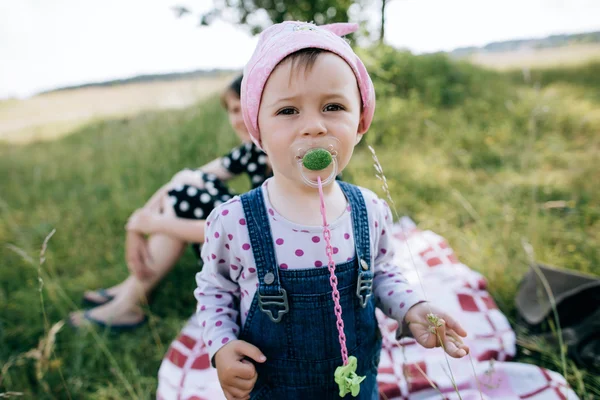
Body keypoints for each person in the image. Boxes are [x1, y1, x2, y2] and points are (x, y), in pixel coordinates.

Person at [192, 21, 469, 399]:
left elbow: (383, 272)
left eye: (333, 107)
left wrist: (412, 309)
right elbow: (215, 291)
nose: (314, 126)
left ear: (360, 123)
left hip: (358, 386)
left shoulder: (368, 209)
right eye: (288, 111)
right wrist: (222, 347)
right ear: (258, 128)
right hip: (274, 389)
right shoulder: (235, 220)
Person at [69, 75, 272, 330]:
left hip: (265, 267)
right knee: (187, 186)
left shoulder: (282, 157)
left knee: (185, 201)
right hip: (243, 248)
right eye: (233, 110)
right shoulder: (253, 151)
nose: (239, 118)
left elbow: (245, 232)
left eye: (246, 107)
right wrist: (137, 223)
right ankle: (130, 291)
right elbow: (185, 179)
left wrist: (156, 224)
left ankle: (129, 301)